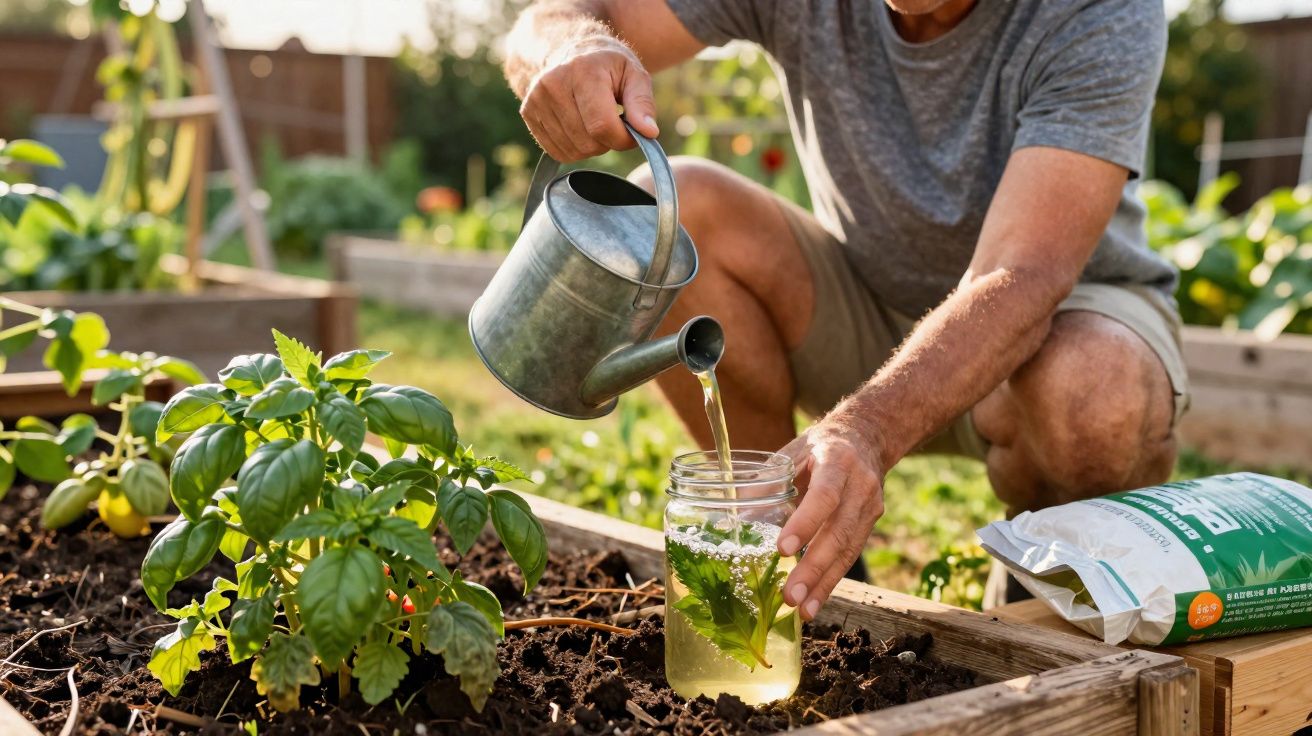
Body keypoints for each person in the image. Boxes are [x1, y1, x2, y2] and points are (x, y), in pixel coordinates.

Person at [502, 0, 1185, 620]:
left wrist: (868, 429)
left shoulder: (1099, 10)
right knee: (676, 214)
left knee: (1096, 392)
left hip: (1050, 327)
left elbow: (1024, 276)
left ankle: (1043, 589)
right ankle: (804, 552)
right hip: (864, 300)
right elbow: (567, 14)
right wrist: (570, 48)